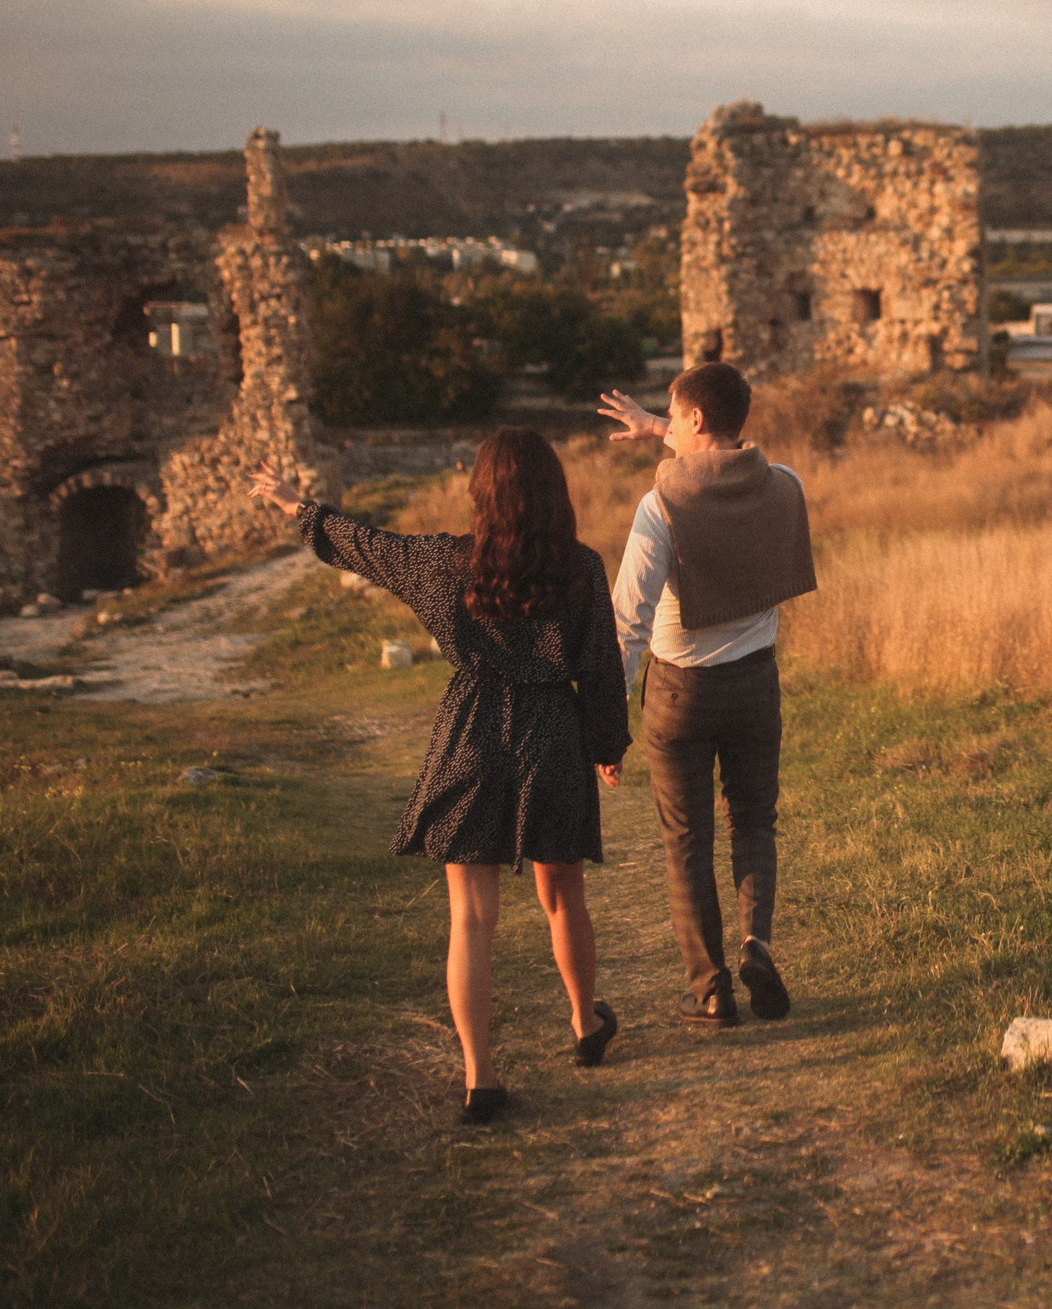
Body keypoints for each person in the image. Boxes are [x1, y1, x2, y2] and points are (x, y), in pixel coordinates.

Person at [247, 429, 630, 1124]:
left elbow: (363, 543)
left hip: (472, 732)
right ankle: (583, 1024)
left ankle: (480, 1078)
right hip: (553, 732)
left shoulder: (444, 562)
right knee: (563, 896)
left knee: (471, 918)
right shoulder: (582, 568)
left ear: (480, 491)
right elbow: (601, 666)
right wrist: (606, 745)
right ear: (554, 491)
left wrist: (295, 505)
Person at [597, 364, 815, 1026]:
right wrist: (658, 426)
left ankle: (711, 987)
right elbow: (718, 456)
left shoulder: (661, 506)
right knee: (753, 821)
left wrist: (607, 724)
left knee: (686, 839)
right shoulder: (784, 485)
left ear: (693, 418)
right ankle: (757, 945)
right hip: (756, 679)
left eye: (672, 411)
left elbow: (627, 624)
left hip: (679, 693)